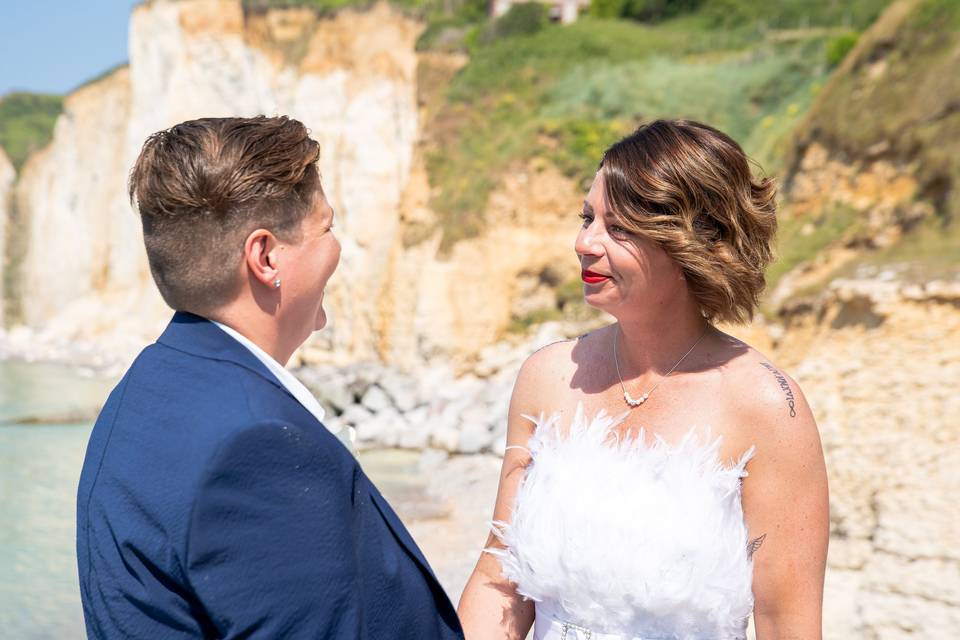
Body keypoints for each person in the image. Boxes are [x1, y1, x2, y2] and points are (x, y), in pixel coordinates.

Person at [76, 116, 463, 639]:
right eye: (326, 227)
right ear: (264, 256)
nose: (336, 246)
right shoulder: (256, 447)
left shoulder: (142, 392)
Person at [458, 119, 829, 640]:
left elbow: (785, 624)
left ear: (693, 241)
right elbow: (499, 584)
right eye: (587, 218)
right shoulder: (548, 376)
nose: (584, 243)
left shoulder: (766, 405)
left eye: (619, 228)